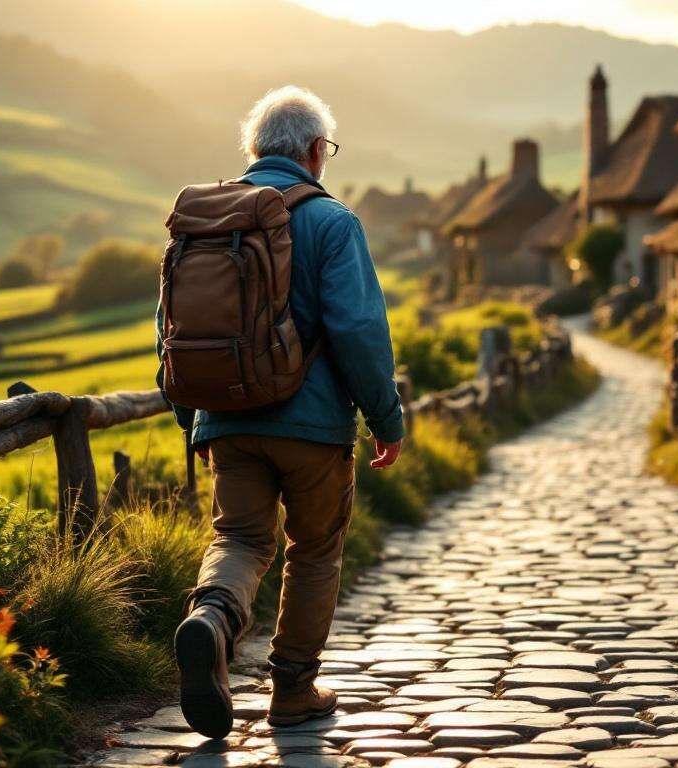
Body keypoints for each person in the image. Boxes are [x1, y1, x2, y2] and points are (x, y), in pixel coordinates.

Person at [158, 86, 405, 739]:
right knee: (315, 548)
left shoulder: (205, 221)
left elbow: (172, 330)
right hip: (313, 427)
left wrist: (195, 422)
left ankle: (210, 621)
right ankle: (293, 692)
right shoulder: (332, 222)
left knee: (239, 539)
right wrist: (387, 418)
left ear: (257, 151)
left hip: (227, 420)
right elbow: (358, 329)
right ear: (317, 151)